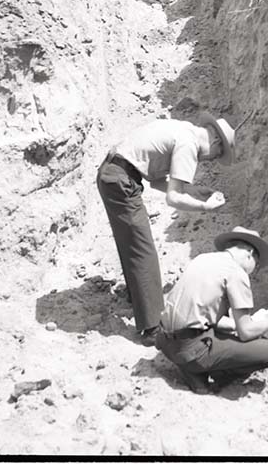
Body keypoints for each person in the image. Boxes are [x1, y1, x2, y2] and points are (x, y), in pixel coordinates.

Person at [97, 113, 235, 341]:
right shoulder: (189, 144)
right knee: (143, 250)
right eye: (216, 155)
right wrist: (205, 207)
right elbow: (173, 198)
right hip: (121, 179)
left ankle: (137, 298)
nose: (210, 160)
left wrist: (194, 191)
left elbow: (156, 180)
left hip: (113, 173)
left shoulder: (183, 130)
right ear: (216, 142)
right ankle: (152, 328)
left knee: (131, 242)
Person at [155, 226, 268, 393]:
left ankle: (191, 368)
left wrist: (235, 325)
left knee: (224, 334)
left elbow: (205, 314)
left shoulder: (203, 258)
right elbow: (246, 332)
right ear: (249, 253)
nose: (253, 271)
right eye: (256, 264)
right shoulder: (236, 272)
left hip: (164, 341)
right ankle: (210, 372)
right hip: (190, 349)